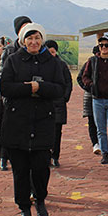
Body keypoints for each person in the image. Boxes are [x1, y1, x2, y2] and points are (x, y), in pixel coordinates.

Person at [0, 23, 65, 216]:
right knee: (20, 172)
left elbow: (60, 89)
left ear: (42, 40)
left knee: (40, 169)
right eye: (30, 38)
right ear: (23, 40)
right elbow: (5, 87)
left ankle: (40, 199)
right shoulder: (13, 60)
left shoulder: (52, 63)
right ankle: (24, 209)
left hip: (43, 123)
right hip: (17, 124)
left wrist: (41, 87)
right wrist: (29, 89)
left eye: (37, 38)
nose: (34, 42)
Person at [81, 34, 108, 166]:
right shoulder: (92, 61)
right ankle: (104, 154)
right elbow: (84, 76)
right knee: (100, 129)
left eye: (107, 45)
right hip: (97, 100)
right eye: (101, 45)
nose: (104, 47)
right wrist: (91, 85)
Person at [45, 39, 72, 167]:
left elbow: (68, 82)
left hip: (58, 104)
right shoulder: (41, 64)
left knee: (57, 132)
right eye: (48, 52)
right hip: (44, 103)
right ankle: (46, 157)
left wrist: (64, 97)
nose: (50, 54)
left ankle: (55, 156)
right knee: (45, 132)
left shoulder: (62, 65)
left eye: (52, 52)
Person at [0, 36, 13, 170]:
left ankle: (4, 157)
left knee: (5, 128)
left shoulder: (11, 62)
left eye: (0, 46)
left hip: (7, 100)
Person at [77, 45, 100, 154]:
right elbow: (79, 78)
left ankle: (101, 142)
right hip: (90, 97)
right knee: (91, 120)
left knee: (102, 121)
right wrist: (89, 88)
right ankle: (95, 143)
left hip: (104, 98)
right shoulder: (88, 63)